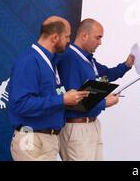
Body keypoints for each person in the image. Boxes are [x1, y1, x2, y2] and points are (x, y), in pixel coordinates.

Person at [8, 16, 90, 161]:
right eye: (67, 37)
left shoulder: (50, 60)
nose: (68, 41)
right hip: (32, 141)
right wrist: (62, 100)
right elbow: (21, 104)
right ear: (55, 37)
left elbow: (49, 96)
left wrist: (67, 98)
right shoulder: (29, 61)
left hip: (47, 140)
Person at [57, 18, 134, 161]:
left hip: (92, 124)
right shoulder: (70, 59)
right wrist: (104, 102)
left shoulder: (88, 59)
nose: (100, 42)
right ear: (84, 35)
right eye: (98, 37)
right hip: (76, 127)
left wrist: (127, 65)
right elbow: (74, 100)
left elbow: (106, 75)